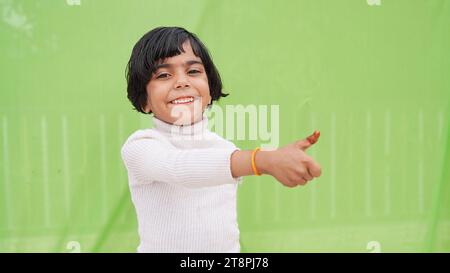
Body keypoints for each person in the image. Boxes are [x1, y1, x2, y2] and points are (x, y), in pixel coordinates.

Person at [121, 26, 322, 253]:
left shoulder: (224, 149)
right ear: (144, 100)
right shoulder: (141, 146)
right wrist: (263, 160)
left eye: (193, 71)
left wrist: (276, 161)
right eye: (164, 75)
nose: (181, 82)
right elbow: (179, 167)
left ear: (210, 88)